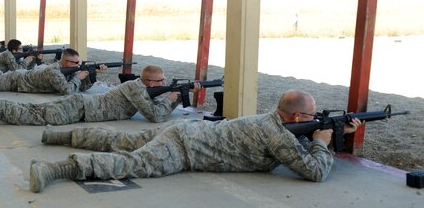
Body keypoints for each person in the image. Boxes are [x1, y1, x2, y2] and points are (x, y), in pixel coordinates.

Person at [28, 89, 363, 193]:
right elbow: (314, 171)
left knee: (122, 140)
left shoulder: (271, 120)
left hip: (184, 131)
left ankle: (56, 134)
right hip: (184, 148)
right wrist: (322, 141)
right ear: (296, 116)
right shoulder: (278, 135)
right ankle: (53, 169)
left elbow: (293, 147)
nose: (314, 119)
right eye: (311, 116)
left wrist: (325, 133)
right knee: (131, 163)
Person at [0, 65, 199, 132]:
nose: (164, 84)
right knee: (30, 115)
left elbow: (155, 106)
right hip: (80, 108)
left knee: (29, 110)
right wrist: (173, 97)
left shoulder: (140, 88)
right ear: (150, 82)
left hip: (81, 107)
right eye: (161, 81)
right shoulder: (136, 88)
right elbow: (155, 115)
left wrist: (175, 96)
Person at [0, 48, 105, 95]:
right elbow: (67, 90)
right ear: (65, 61)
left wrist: (91, 76)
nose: (78, 65)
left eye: (79, 63)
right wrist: (79, 76)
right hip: (14, 80)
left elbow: (79, 87)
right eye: (75, 63)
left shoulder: (68, 70)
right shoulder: (54, 71)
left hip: (20, 80)